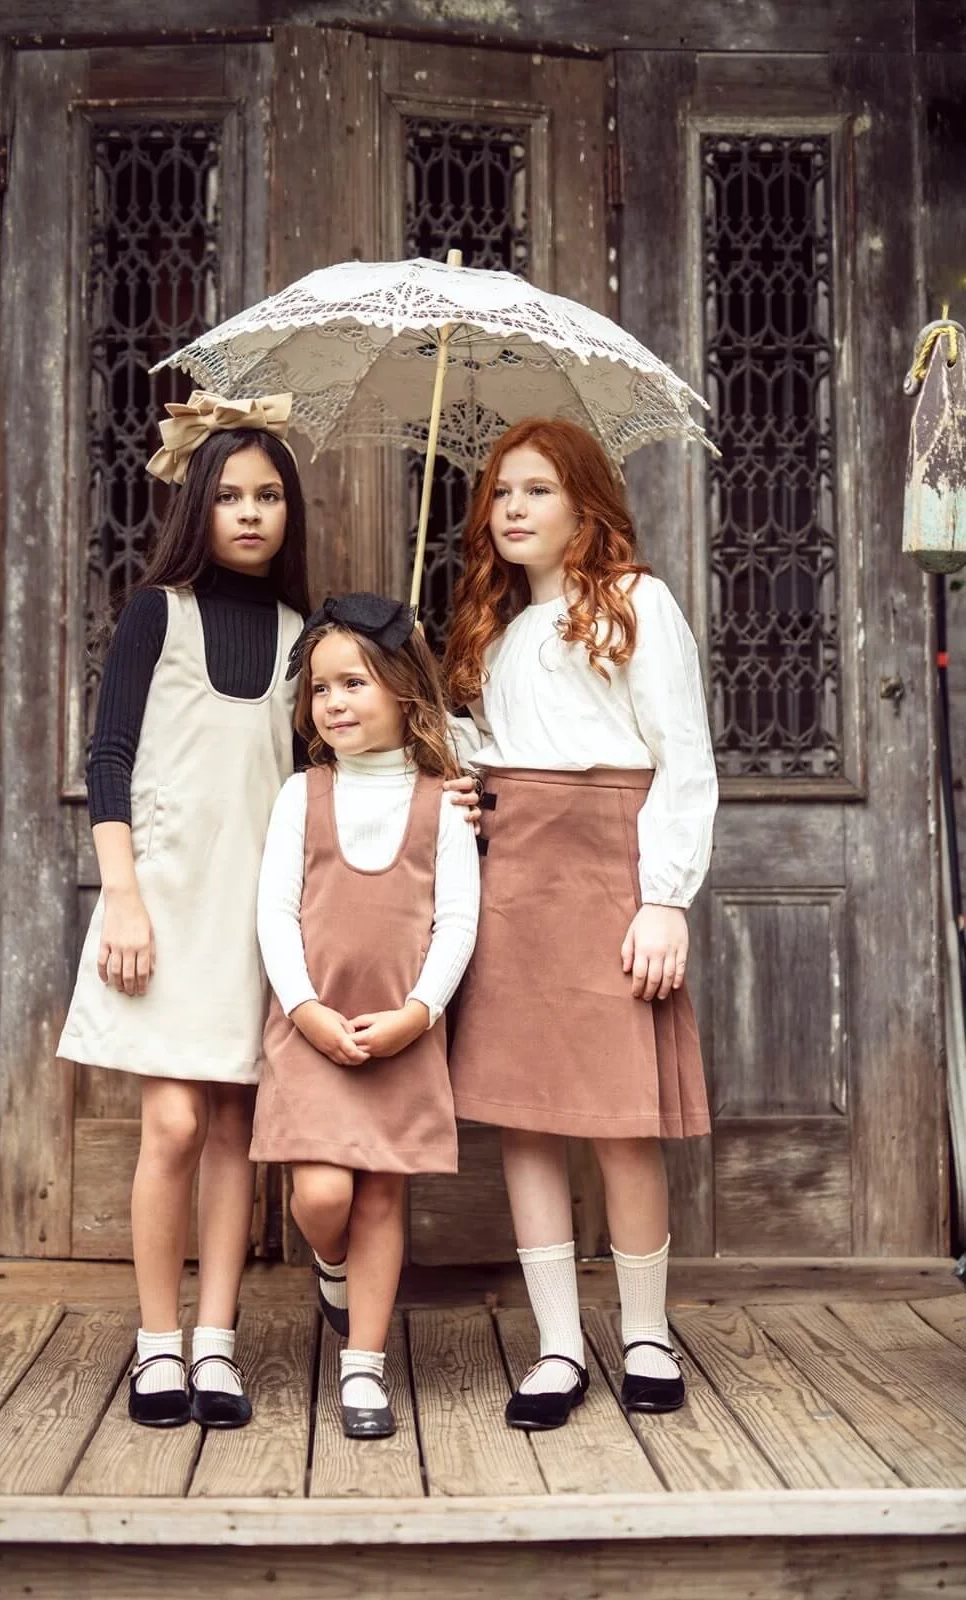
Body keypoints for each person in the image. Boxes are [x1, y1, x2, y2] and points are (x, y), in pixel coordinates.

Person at [442, 417, 717, 1429]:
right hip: (514, 882)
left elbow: (682, 756)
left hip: (612, 877)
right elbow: (490, 753)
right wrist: (456, 769)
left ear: (584, 505)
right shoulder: (496, 629)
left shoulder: (637, 604)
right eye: (500, 492)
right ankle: (557, 1346)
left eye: (538, 490)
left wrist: (664, 898)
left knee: (621, 1117)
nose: (512, 509)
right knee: (526, 1116)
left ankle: (644, 1333)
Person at [58, 391, 309, 1429]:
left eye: (269, 496)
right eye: (231, 495)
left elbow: (325, 778)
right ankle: (156, 1343)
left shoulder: (301, 635)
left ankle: (216, 1343)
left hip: (255, 913)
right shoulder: (157, 613)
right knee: (172, 1121)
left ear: (290, 512)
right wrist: (120, 897)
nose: (249, 513)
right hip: (160, 902)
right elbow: (108, 757)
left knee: (236, 1128)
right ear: (198, 505)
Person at [252, 594, 480, 1439]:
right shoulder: (301, 795)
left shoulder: (442, 802)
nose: (335, 703)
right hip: (313, 1030)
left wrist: (419, 1014)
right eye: (320, 689)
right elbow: (276, 914)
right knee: (323, 1196)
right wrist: (304, 1009)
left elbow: (457, 921)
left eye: (354, 683)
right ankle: (331, 1262)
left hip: (400, 1032)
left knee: (383, 1198)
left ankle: (363, 1366)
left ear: (403, 689)